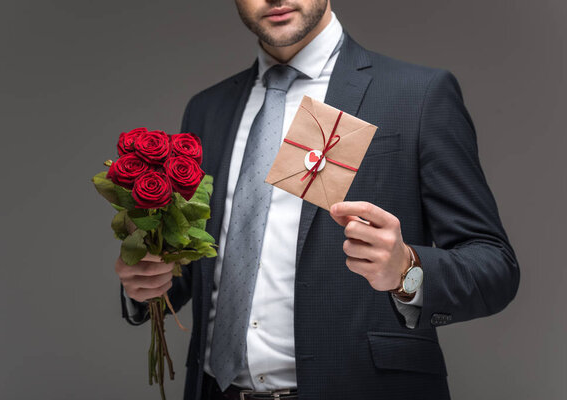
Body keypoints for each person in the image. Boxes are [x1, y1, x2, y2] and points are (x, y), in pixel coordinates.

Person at [115, 1, 520, 399]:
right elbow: (202, 265)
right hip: (213, 389)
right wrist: (149, 279)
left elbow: (494, 266)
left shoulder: (417, 94)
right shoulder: (207, 110)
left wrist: (406, 270)